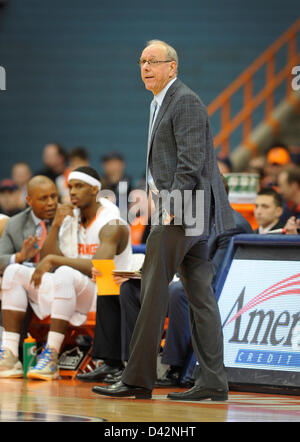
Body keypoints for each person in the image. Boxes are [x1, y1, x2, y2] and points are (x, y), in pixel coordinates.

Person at [92, 40, 235, 401]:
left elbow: (189, 162)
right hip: (192, 211)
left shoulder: (183, 100)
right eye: (141, 61)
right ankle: (214, 382)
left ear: (172, 66)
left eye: (153, 61)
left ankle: (138, 379)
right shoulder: (160, 101)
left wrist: (169, 208)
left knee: (152, 293)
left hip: (182, 210)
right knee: (201, 299)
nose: (145, 67)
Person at [0, 166, 133, 380]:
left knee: (63, 272)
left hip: (105, 295)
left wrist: (54, 260)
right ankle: (10, 354)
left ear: (94, 190)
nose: (71, 192)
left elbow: (99, 266)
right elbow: (47, 258)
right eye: (70, 187)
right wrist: (56, 227)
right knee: (14, 272)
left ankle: (51, 355)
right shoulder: (71, 217)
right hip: (70, 290)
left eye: (79, 186)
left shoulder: (112, 222)